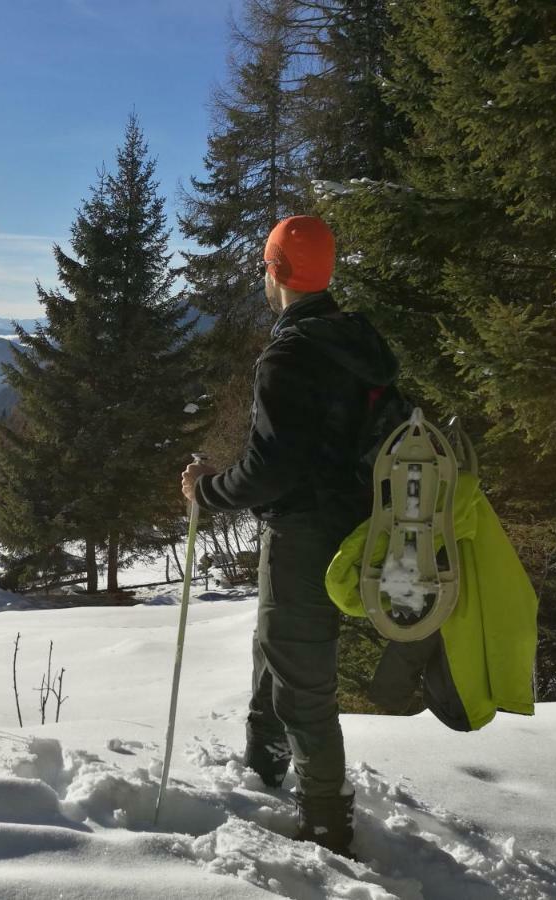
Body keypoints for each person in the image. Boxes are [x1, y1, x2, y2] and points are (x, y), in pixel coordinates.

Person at [180, 215, 399, 856]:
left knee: (302, 679)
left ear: (277, 272)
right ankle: (262, 763)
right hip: (357, 525)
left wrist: (207, 490)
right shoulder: (358, 342)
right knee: (275, 647)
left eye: (266, 267)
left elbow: (272, 468)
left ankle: (326, 823)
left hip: (305, 531)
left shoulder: (290, 351)